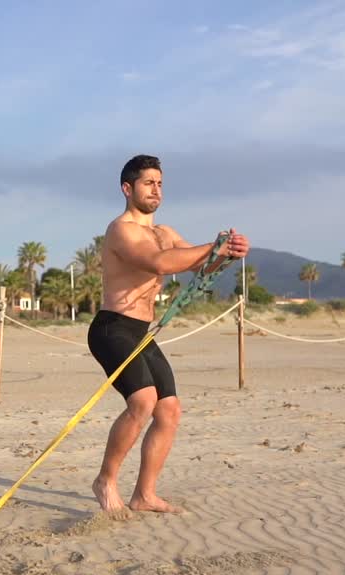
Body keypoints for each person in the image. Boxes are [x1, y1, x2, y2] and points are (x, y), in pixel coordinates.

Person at [88, 154, 249, 513]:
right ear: (127, 188)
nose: (156, 190)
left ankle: (144, 495)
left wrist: (229, 254)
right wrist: (214, 248)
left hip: (141, 331)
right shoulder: (121, 230)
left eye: (160, 183)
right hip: (112, 328)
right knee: (143, 401)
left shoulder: (165, 233)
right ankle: (105, 480)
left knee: (170, 411)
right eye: (148, 183)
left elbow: (199, 264)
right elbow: (158, 263)